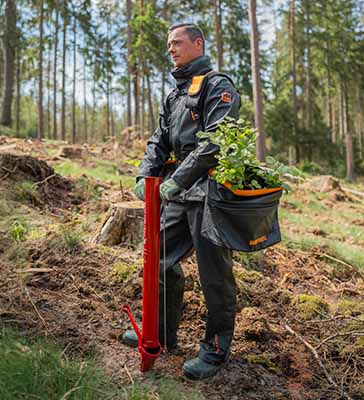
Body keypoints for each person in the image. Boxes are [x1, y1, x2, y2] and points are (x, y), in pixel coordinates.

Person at [121, 23, 241, 380]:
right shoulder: (174, 95)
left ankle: (215, 351)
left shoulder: (218, 86)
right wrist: (146, 175)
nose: (171, 49)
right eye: (169, 44)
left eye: (177, 43)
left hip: (210, 194)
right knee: (158, 260)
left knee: (214, 275)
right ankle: (160, 332)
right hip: (178, 193)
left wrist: (178, 181)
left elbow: (215, 143)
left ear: (198, 44)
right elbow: (158, 141)